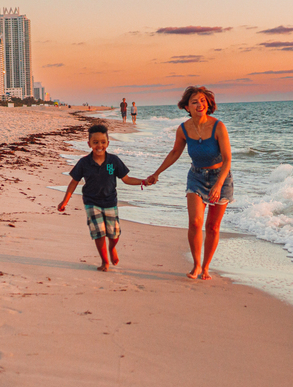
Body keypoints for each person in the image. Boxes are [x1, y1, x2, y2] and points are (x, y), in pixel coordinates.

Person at [144, 85, 232, 280]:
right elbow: (175, 152)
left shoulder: (218, 126)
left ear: (208, 103)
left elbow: (227, 159)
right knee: (194, 222)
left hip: (221, 178)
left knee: (212, 227)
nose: (199, 104)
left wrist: (218, 185)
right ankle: (197, 265)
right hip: (196, 176)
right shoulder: (183, 129)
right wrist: (157, 173)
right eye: (194, 102)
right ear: (187, 107)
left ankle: (207, 267)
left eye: (202, 100)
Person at [57, 124, 146, 271]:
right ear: (89, 144)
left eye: (103, 142)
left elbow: (126, 179)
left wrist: (143, 181)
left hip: (110, 201)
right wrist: (64, 201)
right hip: (91, 202)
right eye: (95, 142)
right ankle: (105, 261)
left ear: (108, 143)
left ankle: (112, 249)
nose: (99, 145)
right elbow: (74, 182)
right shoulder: (84, 163)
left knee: (114, 234)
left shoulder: (113, 161)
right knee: (98, 232)